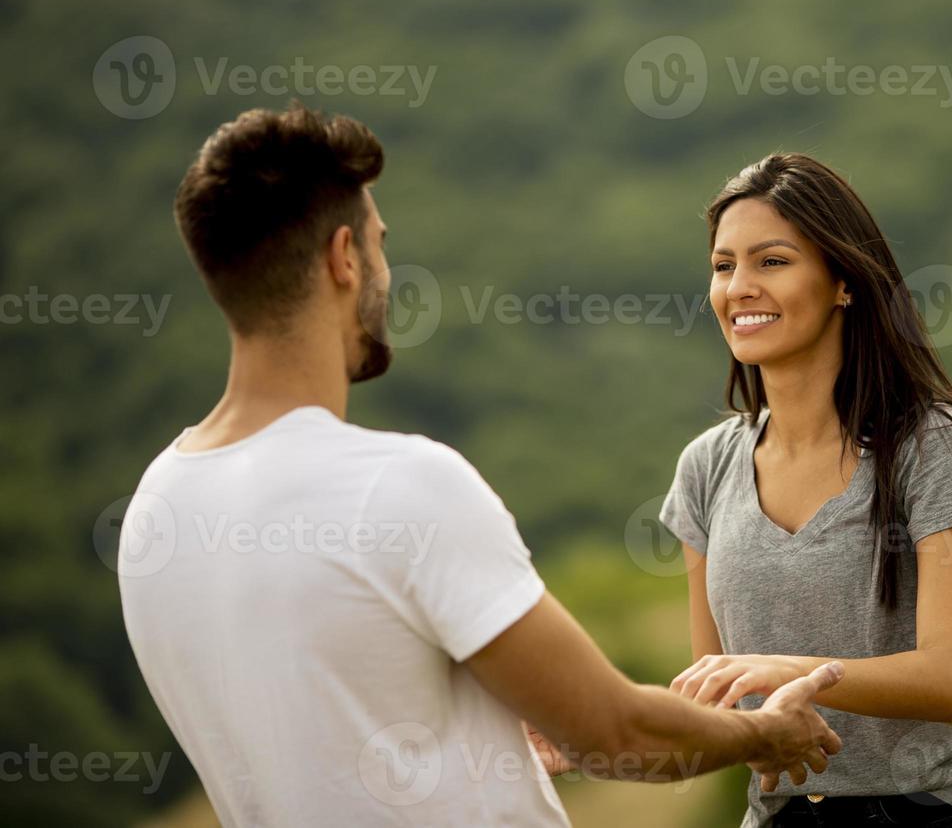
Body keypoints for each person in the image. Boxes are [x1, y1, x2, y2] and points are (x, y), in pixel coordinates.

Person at [116, 104, 845, 827]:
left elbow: (333, 726)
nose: (384, 271)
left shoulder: (157, 506)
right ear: (344, 259)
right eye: (378, 245)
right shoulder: (402, 484)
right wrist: (767, 733)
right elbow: (619, 732)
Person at [659, 154, 952, 827]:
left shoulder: (929, 440)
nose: (739, 287)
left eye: (771, 261)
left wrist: (784, 668)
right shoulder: (706, 468)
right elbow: (713, 694)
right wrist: (578, 739)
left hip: (935, 810)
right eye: (724, 266)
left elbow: (951, 681)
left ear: (842, 281)